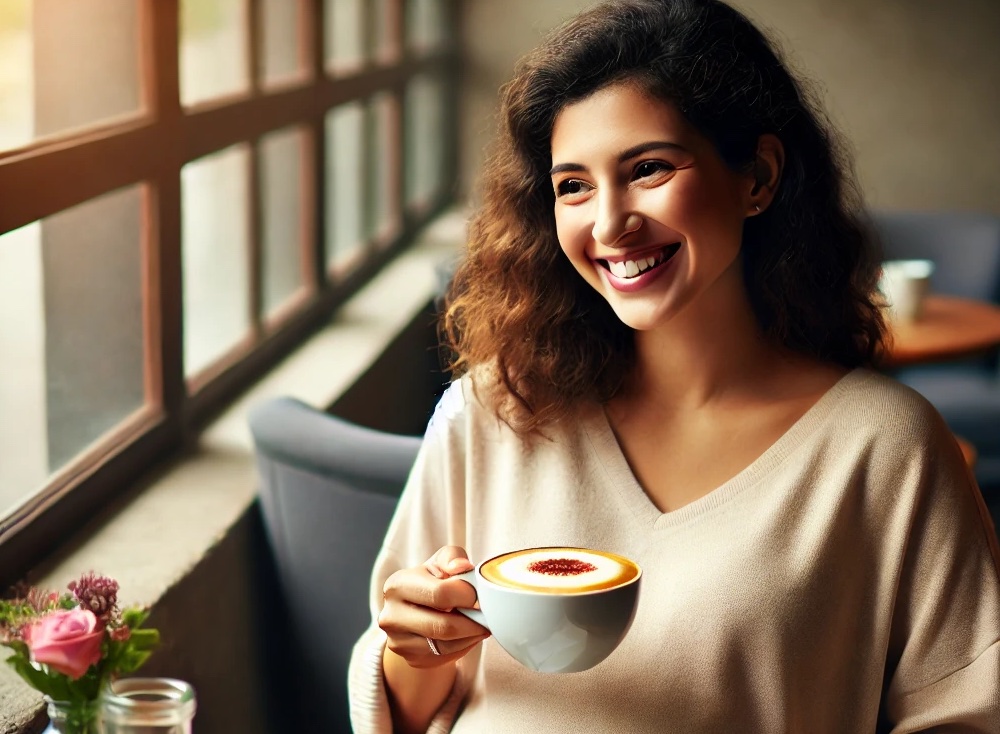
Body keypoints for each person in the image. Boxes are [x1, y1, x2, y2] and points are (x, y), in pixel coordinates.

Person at [349, 0, 1000, 731]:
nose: (608, 223)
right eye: (574, 185)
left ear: (757, 176)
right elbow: (405, 709)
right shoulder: (490, 411)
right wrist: (414, 649)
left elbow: (968, 714)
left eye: (648, 169)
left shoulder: (887, 449)